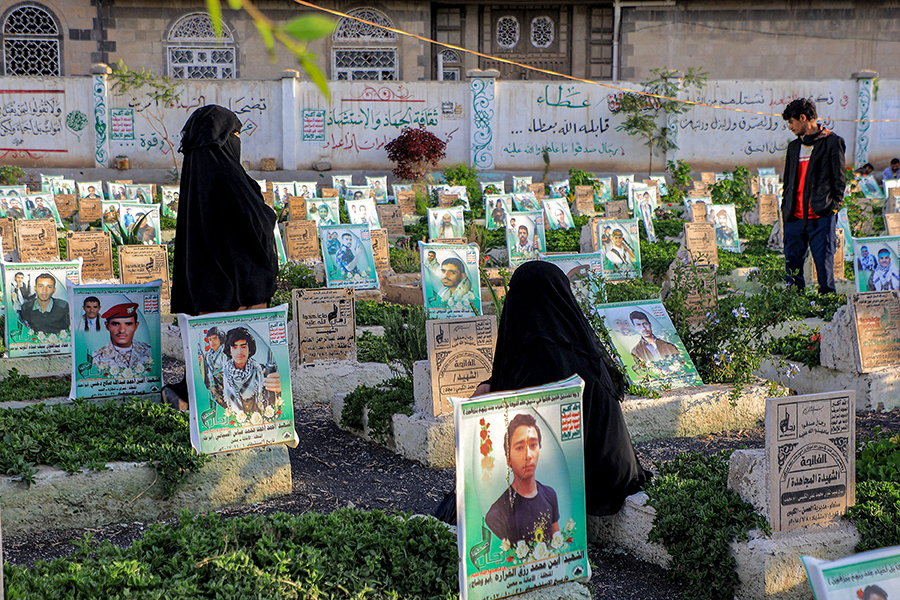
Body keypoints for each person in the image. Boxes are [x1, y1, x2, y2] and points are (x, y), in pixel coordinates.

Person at [466, 262, 649, 518]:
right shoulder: (574, 344)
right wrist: (489, 383)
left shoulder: (540, 352)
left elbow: (517, 412)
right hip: (615, 470)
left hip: (590, 483)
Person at [166, 105, 278, 409]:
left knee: (212, 365)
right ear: (224, 139)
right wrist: (267, 213)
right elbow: (256, 224)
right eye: (236, 135)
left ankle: (190, 395)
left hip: (204, 289)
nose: (238, 142)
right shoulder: (230, 178)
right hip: (237, 291)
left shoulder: (195, 174)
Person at [781, 98, 845, 294]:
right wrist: (785, 207)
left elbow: (839, 180)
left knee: (823, 263)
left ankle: (827, 303)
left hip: (821, 215)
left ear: (803, 118)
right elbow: (788, 181)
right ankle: (794, 301)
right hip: (795, 216)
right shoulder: (794, 147)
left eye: (792, 122)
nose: (790, 127)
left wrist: (833, 207)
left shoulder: (832, 142)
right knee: (792, 263)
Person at [485, 413, 560, 545]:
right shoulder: (496, 514)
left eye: (533, 445)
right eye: (519, 448)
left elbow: (558, 543)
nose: (528, 455)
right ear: (508, 458)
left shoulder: (550, 495)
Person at [222, 326, 280, 415]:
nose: (239, 352)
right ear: (229, 351)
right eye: (234, 347)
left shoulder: (262, 372)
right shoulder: (221, 375)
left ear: (249, 350)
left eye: (243, 347)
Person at [91, 302, 153, 374]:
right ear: (107, 326)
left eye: (128, 324)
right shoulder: (97, 358)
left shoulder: (148, 351)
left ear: (136, 326)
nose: (122, 330)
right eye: (116, 324)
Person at [201, 327, 226, 408]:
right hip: (212, 389)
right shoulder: (208, 356)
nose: (212, 342)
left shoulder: (227, 352)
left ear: (220, 339)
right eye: (210, 339)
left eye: (214, 338)